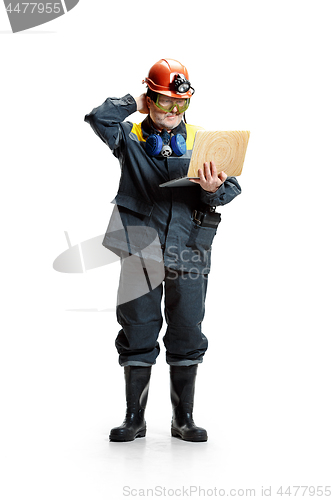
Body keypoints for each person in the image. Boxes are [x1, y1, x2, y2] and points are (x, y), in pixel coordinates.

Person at [84, 58, 241, 443]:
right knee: (137, 328)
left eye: (180, 104)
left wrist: (210, 189)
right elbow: (96, 118)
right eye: (164, 101)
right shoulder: (130, 138)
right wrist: (133, 104)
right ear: (150, 97)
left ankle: (182, 419)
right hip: (140, 248)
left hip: (190, 248)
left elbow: (230, 189)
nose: (172, 111)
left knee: (188, 329)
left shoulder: (206, 142)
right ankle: (134, 417)